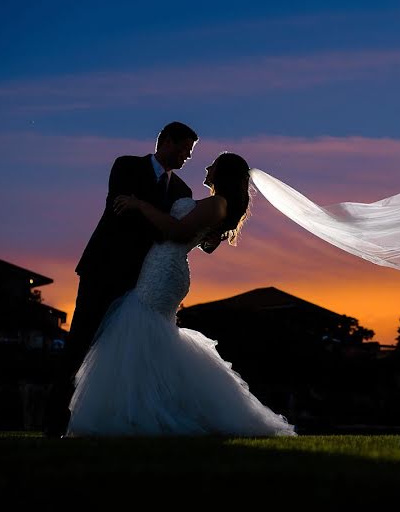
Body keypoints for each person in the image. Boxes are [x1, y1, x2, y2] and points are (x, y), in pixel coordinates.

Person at [65, 152, 296, 437]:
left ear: (222, 174)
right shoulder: (215, 204)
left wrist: (140, 205)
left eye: (214, 165)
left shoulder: (216, 203)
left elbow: (177, 231)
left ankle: (145, 413)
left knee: (138, 329)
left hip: (164, 270)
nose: (207, 167)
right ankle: (148, 408)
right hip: (164, 267)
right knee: (151, 337)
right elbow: (203, 242)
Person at [43, 121, 199, 438]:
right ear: (166, 141)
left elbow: (169, 230)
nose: (187, 156)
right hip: (103, 269)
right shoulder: (126, 166)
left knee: (123, 350)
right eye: (184, 148)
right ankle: (55, 421)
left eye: (190, 152)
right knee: (80, 341)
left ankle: (114, 419)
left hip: (142, 279)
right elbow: (121, 211)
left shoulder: (182, 191)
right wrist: (160, 222)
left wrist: (145, 210)